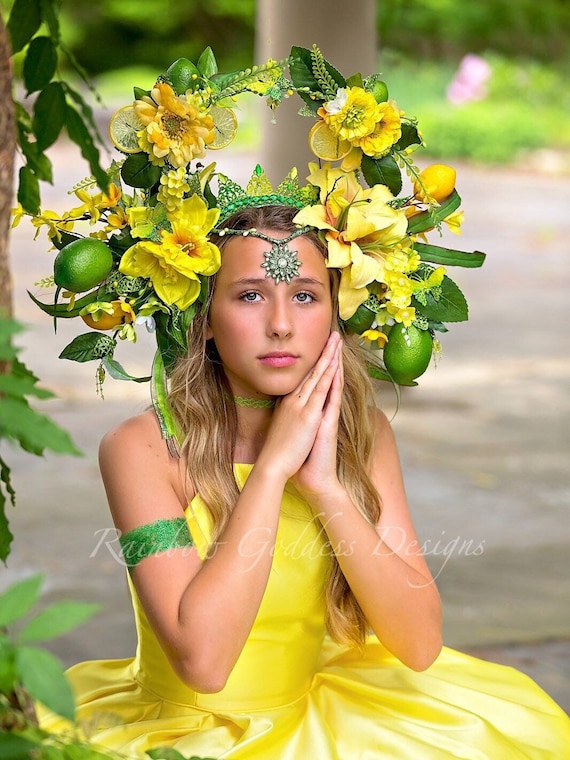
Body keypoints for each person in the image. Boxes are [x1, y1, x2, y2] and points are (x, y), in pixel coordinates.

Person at [32, 47, 570, 758]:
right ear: (203, 313)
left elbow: (417, 642)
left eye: (306, 296)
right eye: (250, 294)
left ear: (337, 311)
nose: (282, 324)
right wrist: (278, 465)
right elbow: (205, 662)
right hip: (186, 731)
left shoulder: (360, 432)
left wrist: (326, 486)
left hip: (323, 717)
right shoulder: (142, 448)